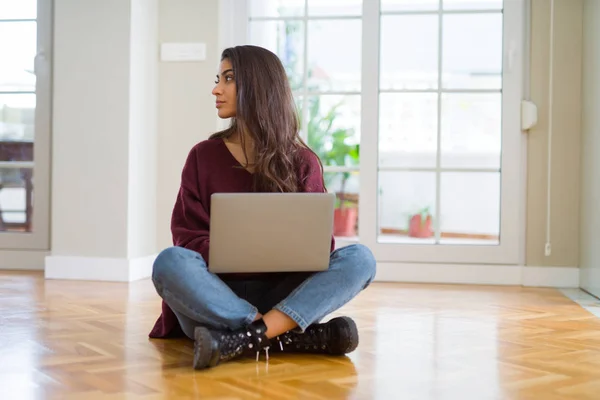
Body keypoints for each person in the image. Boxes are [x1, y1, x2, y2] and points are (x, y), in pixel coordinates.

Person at [149, 45, 376, 370]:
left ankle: (243, 339)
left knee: (361, 258)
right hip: (215, 297)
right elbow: (186, 240)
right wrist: (235, 252)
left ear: (258, 86)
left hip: (284, 295)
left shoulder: (302, 162)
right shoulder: (202, 156)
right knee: (169, 262)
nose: (216, 89)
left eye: (228, 79)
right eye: (218, 79)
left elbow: (319, 249)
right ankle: (285, 335)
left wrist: (272, 252)